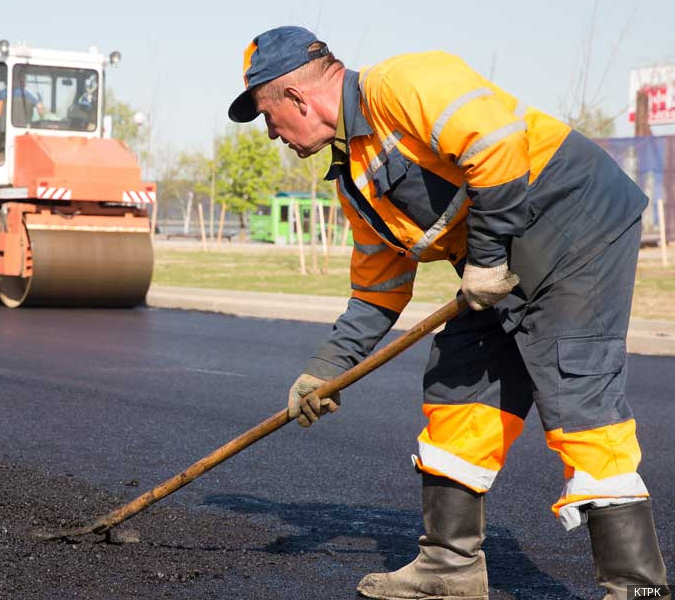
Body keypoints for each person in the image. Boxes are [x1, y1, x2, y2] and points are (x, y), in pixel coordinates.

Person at [228, 26, 668, 600]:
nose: (271, 135)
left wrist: (483, 259)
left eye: (267, 116)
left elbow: (497, 145)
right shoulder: (356, 178)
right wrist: (323, 371)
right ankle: (448, 567)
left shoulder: (401, 83)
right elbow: (378, 291)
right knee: (459, 383)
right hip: (498, 263)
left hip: (575, 228)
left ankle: (638, 588)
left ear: (296, 97)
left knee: (577, 396)